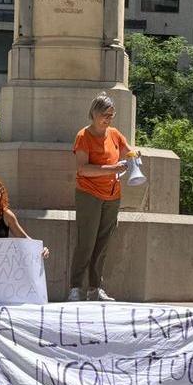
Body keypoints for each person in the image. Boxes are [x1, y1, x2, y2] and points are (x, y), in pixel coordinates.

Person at [68, 92, 138, 302]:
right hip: (89, 193)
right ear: (94, 113)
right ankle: (75, 287)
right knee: (86, 242)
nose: (108, 119)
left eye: (111, 115)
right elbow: (83, 169)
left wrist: (135, 154)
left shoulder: (115, 134)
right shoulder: (83, 136)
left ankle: (94, 288)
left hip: (112, 194)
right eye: (105, 115)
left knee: (103, 243)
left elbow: (128, 151)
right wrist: (111, 168)